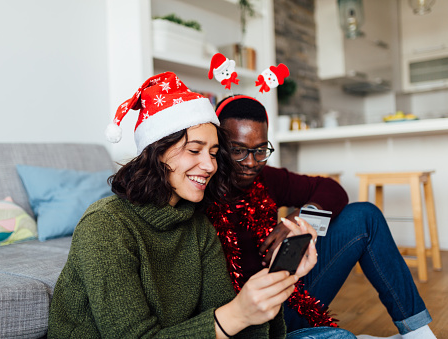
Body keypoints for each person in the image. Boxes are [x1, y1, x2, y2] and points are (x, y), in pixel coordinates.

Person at [47, 73, 355, 338]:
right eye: (195, 150)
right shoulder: (105, 226)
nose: (208, 166)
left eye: (213, 153)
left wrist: (280, 281)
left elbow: (228, 322)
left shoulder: (196, 225)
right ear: (158, 153)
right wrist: (237, 314)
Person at [207, 95, 437, 339]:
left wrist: (302, 217)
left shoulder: (268, 178)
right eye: (238, 150)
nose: (251, 162)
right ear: (219, 146)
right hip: (239, 321)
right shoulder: (201, 188)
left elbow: (332, 189)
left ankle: (418, 333)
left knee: (365, 216)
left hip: (286, 300)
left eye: (260, 150)